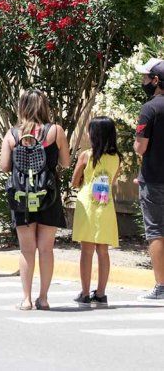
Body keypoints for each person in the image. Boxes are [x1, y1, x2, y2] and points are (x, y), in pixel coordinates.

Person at [0, 90, 70, 310]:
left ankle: (26, 299)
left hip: (22, 196)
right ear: (44, 107)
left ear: (22, 107)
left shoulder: (12, 134)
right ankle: (44, 298)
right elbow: (66, 163)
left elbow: (4, 166)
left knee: (26, 249)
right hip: (48, 195)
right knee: (46, 249)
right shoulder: (55, 131)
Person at [70, 117, 120, 306]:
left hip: (88, 206)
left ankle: (84, 292)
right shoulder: (117, 158)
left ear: (94, 135)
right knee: (103, 250)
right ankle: (101, 293)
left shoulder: (86, 156)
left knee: (86, 250)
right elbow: (112, 180)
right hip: (106, 206)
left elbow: (75, 181)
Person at [134, 58, 164, 300]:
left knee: (155, 231)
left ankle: (161, 285)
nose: (143, 81)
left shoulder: (150, 108)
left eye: (146, 77)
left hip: (154, 179)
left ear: (156, 81)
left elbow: (141, 147)